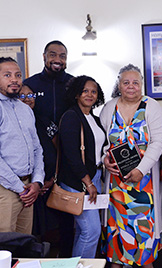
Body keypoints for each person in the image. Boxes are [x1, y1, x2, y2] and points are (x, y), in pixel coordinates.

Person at [100, 64, 162, 268]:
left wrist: (140, 170)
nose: (131, 86)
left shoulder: (151, 106)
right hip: (116, 188)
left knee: (144, 241)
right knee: (117, 239)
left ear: (141, 85)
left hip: (144, 186)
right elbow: (103, 142)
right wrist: (105, 159)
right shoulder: (109, 107)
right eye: (126, 82)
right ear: (119, 85)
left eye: (135, 82)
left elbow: (158, 142)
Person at [23, 40, 74, 257]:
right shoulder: (30, 84)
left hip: (67, 159)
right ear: (44, 56)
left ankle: (67, 258)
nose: (57, 60)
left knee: (66, 216)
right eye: (53, 54)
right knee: (35, 219)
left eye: (62, 55)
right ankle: (34, 258)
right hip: (34, 160)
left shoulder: (73, 84)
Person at [58, 75, 105, 258]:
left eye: (93, 91)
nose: (89, 94)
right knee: (91, 231)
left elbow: (97, 149)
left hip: (94, 178)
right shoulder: (71, 116)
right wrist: (88, 183)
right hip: (78, 181)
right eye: (85, 91)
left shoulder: (93, 118)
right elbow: (72, 155)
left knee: (83, 231)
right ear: (76, 93)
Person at [0, 57, 44, 234]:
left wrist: (37, 182)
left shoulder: (25, 109)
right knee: (4, 250)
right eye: (7, 75)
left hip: (28, 188)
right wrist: (21, 189)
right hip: (6, 190)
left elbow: (37, 148)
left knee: (24, 245)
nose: (14, 79)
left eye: (18, 75)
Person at [18, 84, 59, 237]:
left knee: (53, 227)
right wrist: (36, 182)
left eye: (30, 95)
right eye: (22, 96)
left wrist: (52, 178)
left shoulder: (44, 120)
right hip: (27, 185)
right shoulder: (15, 122)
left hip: (49, 182)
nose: (27, 99)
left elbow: (58, 150)